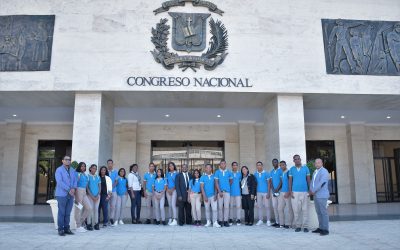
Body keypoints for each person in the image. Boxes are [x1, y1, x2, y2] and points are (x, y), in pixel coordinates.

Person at [54, 155, 77, 236]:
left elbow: (75, 180)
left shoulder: (73, 170)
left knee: (68, 212)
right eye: (66, 159)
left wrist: (73, 188)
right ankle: (60, 229)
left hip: (71, 195)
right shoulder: (59, 170)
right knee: (61, 212)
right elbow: (59, 182)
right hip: (61, 194)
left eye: (69, 160)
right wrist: (69, 189)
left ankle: (67, 228)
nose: (68, 161)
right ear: (62, 161)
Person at [289, 154, 311, 232]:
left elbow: (308, 180)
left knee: (305, 210)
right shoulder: (291, 169)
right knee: (296, 210)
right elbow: (290, 181)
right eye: (295, 159)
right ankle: (298, 226)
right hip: (294, 192)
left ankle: (305, 226)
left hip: (304, 192)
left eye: (298, 159)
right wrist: (290, 191)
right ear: (293, 161)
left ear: (300, 159)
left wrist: (309, 190)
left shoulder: (306, 168)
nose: (297, 160)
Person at [310, 158, 330, 236]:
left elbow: (322, 183)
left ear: (322, 163)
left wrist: (313, 191)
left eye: (319, 162)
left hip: (322, 195)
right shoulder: (315, 171)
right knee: (318, 212)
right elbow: (312, 182)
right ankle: (321, 227)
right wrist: (311, 190)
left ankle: (325, 229)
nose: (317, 164)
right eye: (316, 163)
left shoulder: (324, 171)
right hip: (316, 195)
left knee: (323, 212)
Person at [200, 164, 220, 228]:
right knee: (207, 209)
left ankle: (215, 222)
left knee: (214, 209)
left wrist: (216, 194)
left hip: (213, 195)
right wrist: (204, 196)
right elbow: (202, 187)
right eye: (207, 167)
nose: (208, 169)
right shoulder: (202, 177)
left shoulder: (214, 176)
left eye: (209, 167)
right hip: (206, 196)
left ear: (211, 169)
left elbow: (216, 186)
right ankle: (208, 221)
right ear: (205, 169)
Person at [214, 160, 233, 227]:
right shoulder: (217, 172)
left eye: (224, 163)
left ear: (225, 164)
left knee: (226, 207)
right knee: (220, 207)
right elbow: (216, 182)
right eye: (221, 164)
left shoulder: (229, 172)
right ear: (220, 165)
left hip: (227, 192)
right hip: (220, 192)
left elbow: (231, 180)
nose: (223, 165)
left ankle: (225, 221)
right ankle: (220, 221)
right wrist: (219, 191)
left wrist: (227, 186)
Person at [74, 162, 91, 233]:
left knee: (89, 208)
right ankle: (78, 226)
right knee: (78, 208)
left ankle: (80, 222)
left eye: (84, 166)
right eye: (82, 166)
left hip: (84, 192)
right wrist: (75, 195)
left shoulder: (85, 175)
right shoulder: (77, 174)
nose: (83, 168)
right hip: (78, 191)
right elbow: (74, 183)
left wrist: (88, 193)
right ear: (79, 167)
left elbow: (86, 185)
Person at [254, 161, 272, 226]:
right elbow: (255, 184)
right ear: (256, 166)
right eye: (257, 165)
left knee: (267, 206)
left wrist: (268, 192)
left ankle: (268, 220)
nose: (259, 166)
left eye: (260, 165)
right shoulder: (255, 174)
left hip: (265, 192)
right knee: (259, 207)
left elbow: (269, 183)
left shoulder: (266, 173)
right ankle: (260, 220)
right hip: (258, 192)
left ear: (262, 166)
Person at [277, 161, 294, 229]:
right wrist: (277, 190)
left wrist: (289, 192)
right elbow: (281, 182)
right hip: (281, 192)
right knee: (280, 208)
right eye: (280, 165)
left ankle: (289, 224)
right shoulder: (281, 173)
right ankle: (282, 223)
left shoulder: (289, 172)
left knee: (289, 209)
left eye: (283, 165)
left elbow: (292, 182)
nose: (281, 166)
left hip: (288, 192)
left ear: (286, 165)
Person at [87, 164, 101, 230]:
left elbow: (99, 187)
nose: (94, 169)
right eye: (93, 168)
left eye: (95, 168)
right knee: (90, 209)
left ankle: (96, 223)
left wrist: (98, 195)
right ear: (90, 168)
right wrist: (92, 196)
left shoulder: (98, 177)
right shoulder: (87, 176)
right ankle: (89, 223)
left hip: (97, 196)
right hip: (90, 196)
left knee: (96, 209)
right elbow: (87, 187)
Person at [270, 158, 283, 227]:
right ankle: (277, 222)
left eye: (275, 162)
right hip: (273, 192)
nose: (274, 163)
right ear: (272, 163)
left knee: (279, 208)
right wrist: (273, 190)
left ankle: (281, 223)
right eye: (273, 162)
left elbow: (281, 181)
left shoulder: (280, 170)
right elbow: (271, 181)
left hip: (279, 191)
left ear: (277, 163)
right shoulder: (271, 171)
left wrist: (277, 189)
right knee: (274, 207)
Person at [229, 161, 242, 226]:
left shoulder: (240, 174)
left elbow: (241, 183)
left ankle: (238, 219)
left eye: (236, 165)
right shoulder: (229, 173)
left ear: (237, 166)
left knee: (238, 206)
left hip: (238, 193)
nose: (235, 166)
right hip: (230, 193)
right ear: (232, 166)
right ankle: (231, 219)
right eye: (233, 165)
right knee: (230, 206)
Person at [107, 159, 119, 226]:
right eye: (108, 163)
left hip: (114, 191)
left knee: (113, 206)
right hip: (107, 192)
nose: (110, 165)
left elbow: (116, 181)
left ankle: (111, 218)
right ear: (107, 164)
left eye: (111, 163)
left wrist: (111, 188)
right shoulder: (105, 171)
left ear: (112, 164)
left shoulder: (116, 172)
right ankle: (107, 219)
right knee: (107, 206)